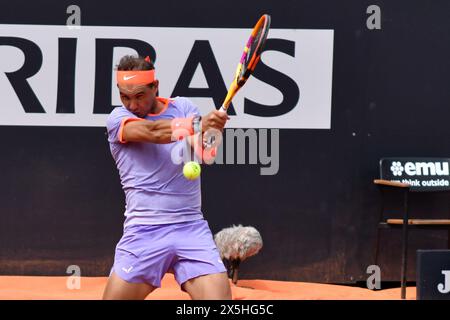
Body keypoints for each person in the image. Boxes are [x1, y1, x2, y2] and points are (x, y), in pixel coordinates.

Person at [103, 55, 231, 300]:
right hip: (143, 231)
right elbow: (151, 132)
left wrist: (213, 130)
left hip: (190, 227)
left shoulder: (183, 108)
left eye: (139, 95)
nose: (131, 104)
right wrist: (197, 124)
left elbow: (206, 152)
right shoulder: (117, 120)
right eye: (124, 96)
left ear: (155, 86)